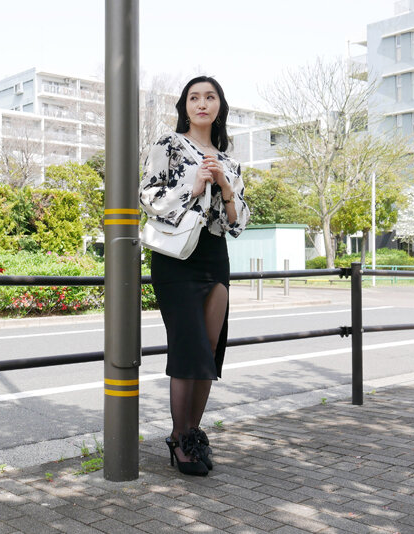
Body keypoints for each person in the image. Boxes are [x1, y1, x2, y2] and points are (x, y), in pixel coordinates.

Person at [139, 76, 250, 476]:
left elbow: (237, 224)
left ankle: (192, 433)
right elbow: (148, 197)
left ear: (220, 106)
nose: (202, 103)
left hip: (214, 256)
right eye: (194, 97)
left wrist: (224, 186)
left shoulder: (229, 161)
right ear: (185, 106)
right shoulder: (168, 145)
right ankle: (178, 438)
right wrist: (194, 184)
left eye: (210, 97)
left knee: (209, 348)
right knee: (188, 348)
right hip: (175, 258)